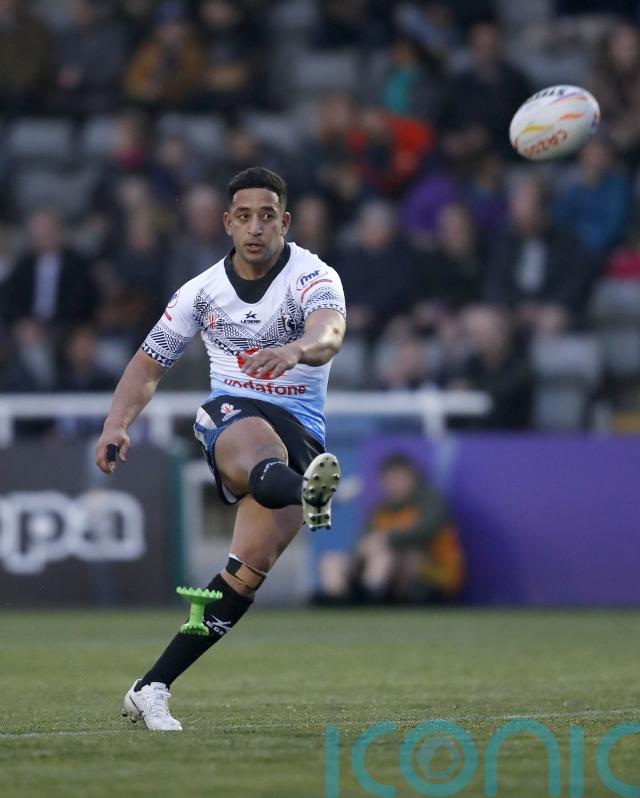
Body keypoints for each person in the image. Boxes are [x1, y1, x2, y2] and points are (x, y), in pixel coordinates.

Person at [95, 167, 346, 731]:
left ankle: (150, 687)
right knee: (259, 455)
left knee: (244, 575)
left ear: (285, 222)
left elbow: (330, 332)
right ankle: (308, 491)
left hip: (301, 430)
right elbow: (148, 364)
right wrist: (116, 423)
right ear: (228, 223)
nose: (256, 227)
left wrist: (295, 351)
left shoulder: (314, 275)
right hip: (231, 414)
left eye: (267, 216)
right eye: (245, 216)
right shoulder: (201, 291)